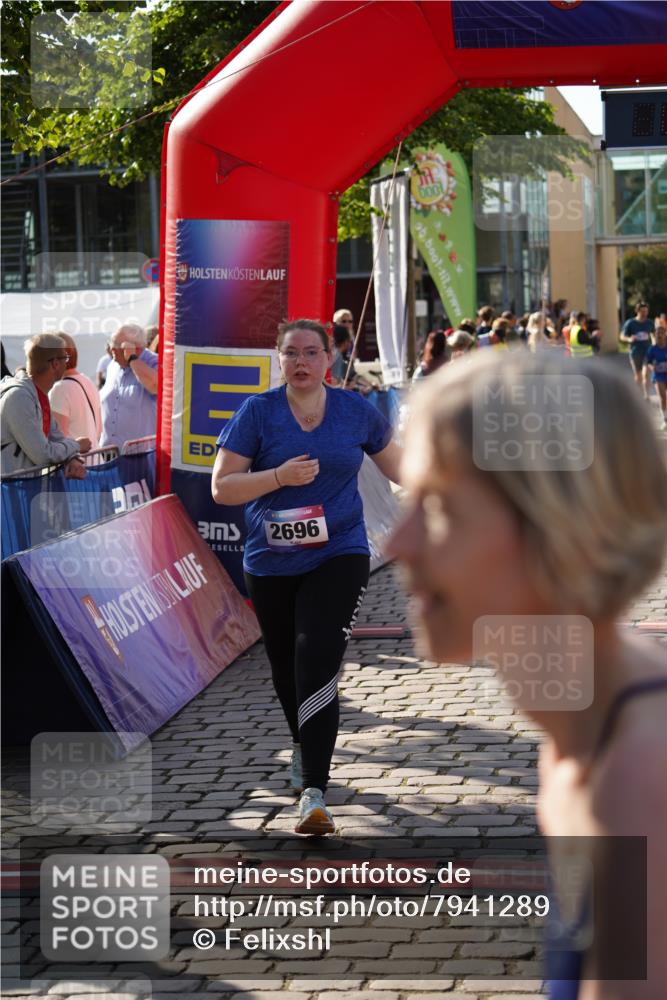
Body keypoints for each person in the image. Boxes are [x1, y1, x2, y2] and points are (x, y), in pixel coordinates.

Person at [387, 349, 667, 999]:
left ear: (558, 527)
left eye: (438, 508)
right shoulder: (583, 727)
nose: (396, 544)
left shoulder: (637, 779)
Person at [211, 318, 401, 835]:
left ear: (328, 358)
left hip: (340, 551)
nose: (301, 362)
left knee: (315, 655)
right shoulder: (258, 412)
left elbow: (401, 468)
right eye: (291, 353)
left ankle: (314, 793)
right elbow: (222, 488)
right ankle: (302, 743)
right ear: (279, 359)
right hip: (271, 561)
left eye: (311, 352)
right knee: (286, 670)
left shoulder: (353, 411)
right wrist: (279, 476)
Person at [0, 333, 88, 478]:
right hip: (14, 489)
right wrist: (76, 446)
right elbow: (43, 455)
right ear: (55, 364)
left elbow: (57, 437)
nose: (67, 363)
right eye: (65, 358)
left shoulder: (37, 393)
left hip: (28, 486)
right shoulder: (19, 398)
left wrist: (71, 458)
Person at [100, 324, 158, 448]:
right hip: (109, 452)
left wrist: (132, 359)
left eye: (118, 345)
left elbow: (154, 385)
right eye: (111, 343)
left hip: (140, 454)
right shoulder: (113, 366)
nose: (112, 348)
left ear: (136, 348)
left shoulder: (154, 362)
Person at [49, 333, 102, 446]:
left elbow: (59, 439)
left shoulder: (60, 389)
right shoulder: (88, 381)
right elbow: (98, 430)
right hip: (95, 454)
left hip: (77, 456)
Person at [620, 302, 654, 400]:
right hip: (635, 352)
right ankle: (639, 395)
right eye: (642, 311)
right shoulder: (630, 323)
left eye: (646, 311)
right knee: (638, 375)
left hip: (647, 352)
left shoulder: (650, 323)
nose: (644, 314)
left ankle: (646, 395)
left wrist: (655, 344)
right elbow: (622, 336)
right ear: (637, 311)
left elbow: (654, 334)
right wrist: (629, 339)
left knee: (646, 374)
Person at [646, 325, 667, 429]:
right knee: (663, 398)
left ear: (665, 334)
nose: (659, 335)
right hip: (658, 376)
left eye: (661, 333)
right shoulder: (652, 349)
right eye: (657, 333)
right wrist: (652, 367)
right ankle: (665, 420)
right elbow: (648, 362)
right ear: (655, 335)